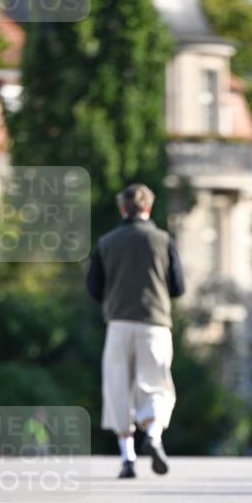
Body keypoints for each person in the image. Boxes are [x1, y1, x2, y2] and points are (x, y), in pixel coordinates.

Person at [87, 183, 185, 478]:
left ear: (122, 209)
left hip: (118, 323)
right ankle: (153, 435)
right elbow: (178, 287)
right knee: (156, 385)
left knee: (117, 387)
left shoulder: (106, 242)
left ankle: (127, 457)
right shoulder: (163, 240)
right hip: (155, 323)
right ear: (149, 208)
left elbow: (94, 288)